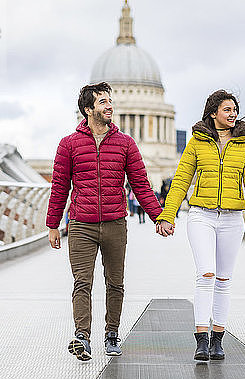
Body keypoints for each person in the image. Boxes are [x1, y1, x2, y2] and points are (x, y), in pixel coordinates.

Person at [47, 82, 162, 361]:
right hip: (80, 224)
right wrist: (52, 225)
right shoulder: (69, 144)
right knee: (82, 283)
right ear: (88, 109)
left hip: (114, 223)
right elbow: (60, 186)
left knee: (115, 283)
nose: (110, 106)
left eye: (110, 101)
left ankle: (112, 334)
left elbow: (141, 185)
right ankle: (82, 337)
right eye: (102, 102)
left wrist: (160, 217)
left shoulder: (125, 144)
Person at [155, 89, 245, 361]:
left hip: (231, 219)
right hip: (201, 215)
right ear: (213, 112)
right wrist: (167, 215)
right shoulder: (197, 141)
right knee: (206, 274)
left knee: (224, 280)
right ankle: (201, 340)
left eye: (234, 110)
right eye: (227, 110)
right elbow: (181, 180)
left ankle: (218, 339)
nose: (233, 114)